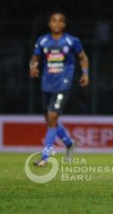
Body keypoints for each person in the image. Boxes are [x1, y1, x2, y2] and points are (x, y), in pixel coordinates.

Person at [29, 12, 89, 166]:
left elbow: (82, 57)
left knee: (52, 117)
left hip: (63, 83)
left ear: (64, 24)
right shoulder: (42, 41)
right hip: (46, 84)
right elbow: (35, 59)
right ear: (49, 24)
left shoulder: (71, 41)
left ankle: (45, 156)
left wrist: (85, 74)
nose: (57, 23)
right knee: (50, 120)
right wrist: (33, 67)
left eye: (60, 21)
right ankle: (69, 143)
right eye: (54, 21)